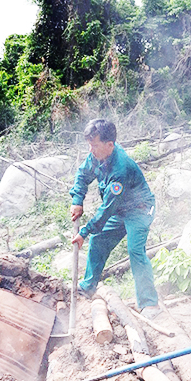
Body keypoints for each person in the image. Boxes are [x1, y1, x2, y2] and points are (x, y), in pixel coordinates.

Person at [70, 119, 160, 319]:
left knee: (135, 250)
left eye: (95, 145)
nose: (91, 150)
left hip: (139, 210)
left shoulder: (121, 169)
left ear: (110, 144)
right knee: (99, 240)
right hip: (120, 210)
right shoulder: (97, 155)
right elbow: (83, 175)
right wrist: (78, 200)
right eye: (90, 145)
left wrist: (84, 231)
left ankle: (150, 304)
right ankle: (87, 288)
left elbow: (107, 209)